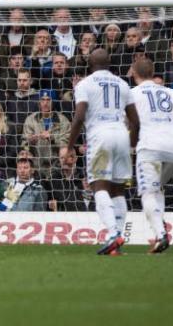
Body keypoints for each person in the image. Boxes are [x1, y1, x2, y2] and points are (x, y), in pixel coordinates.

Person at [67, 48, 140, 256]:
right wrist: (131, 144)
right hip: (121, 135)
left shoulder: (84, 84)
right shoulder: (123, 84)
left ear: (90, 63)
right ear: (109, 63)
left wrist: (71, 146)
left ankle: (112, 233)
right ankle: (117, 240)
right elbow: (135, 121)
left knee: (99, 186)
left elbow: (80, 116)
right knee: (118, 190)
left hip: (100, 136)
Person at [130, 58, 173, 254]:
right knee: (157, 189)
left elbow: (128, 122)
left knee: (147, 193)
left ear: (134, 74)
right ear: (152, 73)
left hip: (150, 148)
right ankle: (159, 233)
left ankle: (161, 235)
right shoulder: (168, 92)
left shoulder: (133, 94)